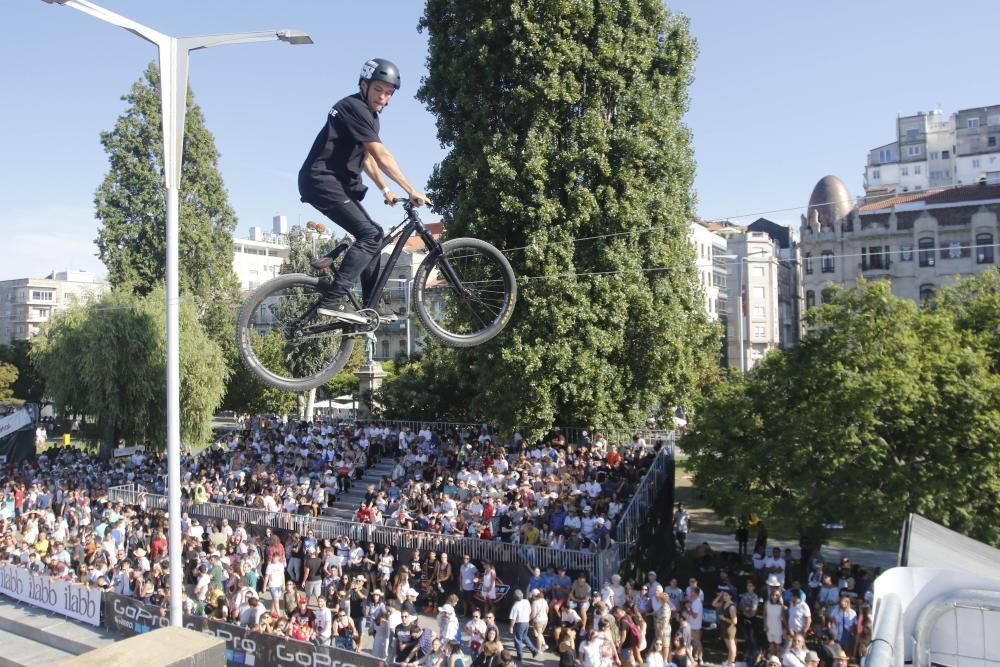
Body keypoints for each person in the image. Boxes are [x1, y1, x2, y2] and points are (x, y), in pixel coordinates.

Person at [298, 57, 431, 322]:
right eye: (379, 90)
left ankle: (373, 305)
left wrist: (385, 190)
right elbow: (381, 157)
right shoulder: (353, 107)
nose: (383, 97)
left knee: (373, 236)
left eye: (389, 93)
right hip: (322, 180)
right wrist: (411, 188)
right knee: (370, 235)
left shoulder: (369, 118)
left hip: (333, 182)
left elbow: (368, 158)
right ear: (364, 85)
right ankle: (334, 299)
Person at [508, 589, 538, 662]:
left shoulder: (515, 605)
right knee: (524, 637)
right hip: (526, 622)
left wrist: (511, 627)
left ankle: (520, 656)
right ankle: (533, 650)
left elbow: (513, 618)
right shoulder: (526, 601)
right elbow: (529, 611)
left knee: (518, 639)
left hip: (520, 623)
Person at [713, 588, 738, 667]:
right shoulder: (723, 603)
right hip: (724, 627)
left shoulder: (731, 607)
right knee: (728, 647)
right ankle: (730, 661)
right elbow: (714, 604)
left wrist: (724, 618)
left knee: (731, 646)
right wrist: (720, 595)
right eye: (724, 595)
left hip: (729, 628)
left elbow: (735, 621)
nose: (724, 597)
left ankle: (731, 663)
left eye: (726, 595)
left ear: (730, 596)